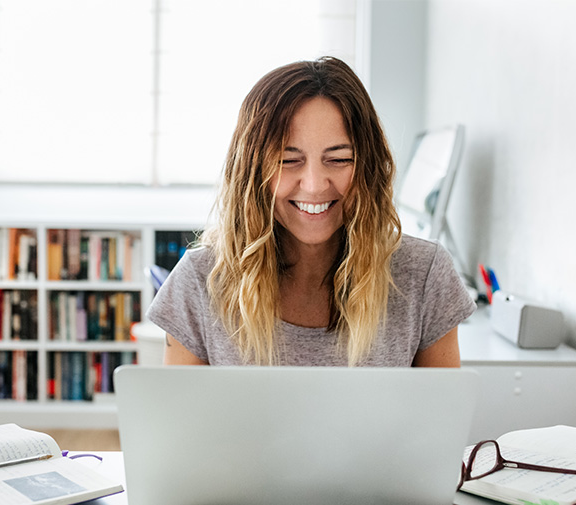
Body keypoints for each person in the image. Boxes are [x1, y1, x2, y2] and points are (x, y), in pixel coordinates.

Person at [147, 56, 475, 367]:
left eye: (339, 159)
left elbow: (441, 422)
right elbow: (178, 425)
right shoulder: (199, 280)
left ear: (367, 167)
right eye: (288, 161)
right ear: (252, 172)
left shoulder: (425, 275)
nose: (315, 185)